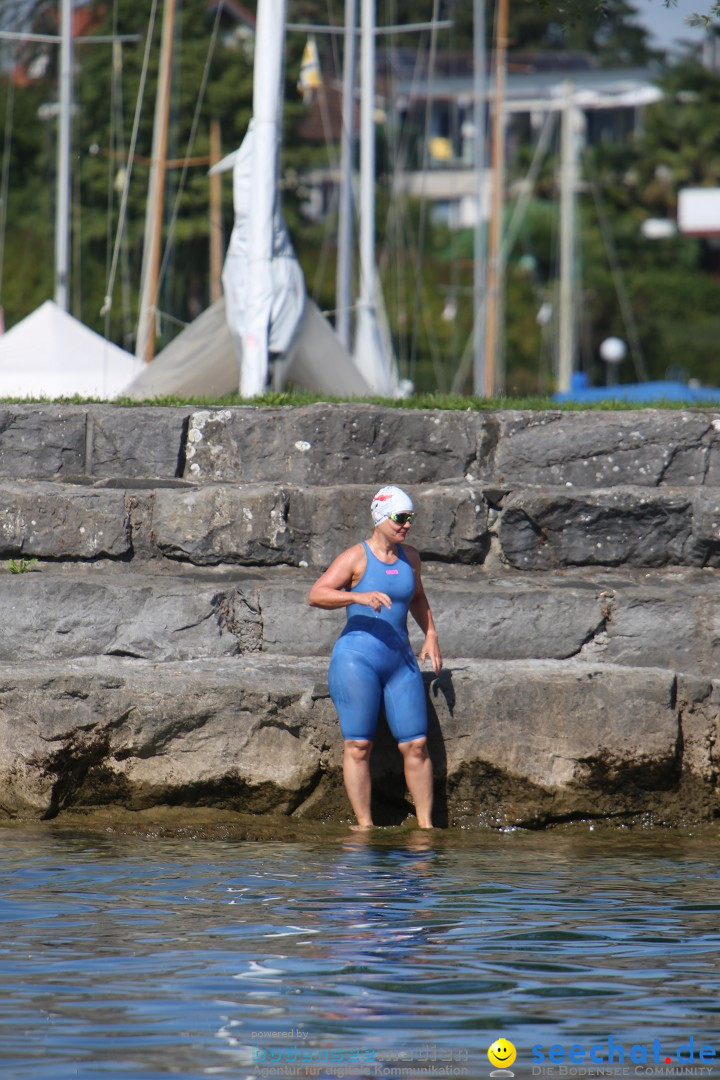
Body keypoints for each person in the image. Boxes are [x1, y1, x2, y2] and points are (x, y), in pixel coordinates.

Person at [308, 485, 442, 829]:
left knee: (416, 745)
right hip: (357, 660)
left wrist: (430, 635)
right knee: (358, 745)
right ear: (381, 517)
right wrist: (358, 597)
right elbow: (317, 594)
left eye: (410, 518)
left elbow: (417, 598)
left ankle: (426, 828)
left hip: (400, 661)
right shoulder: (356, 557)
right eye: (400, 517)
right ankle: (364, 825)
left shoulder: (410, 557)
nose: (407, 525)